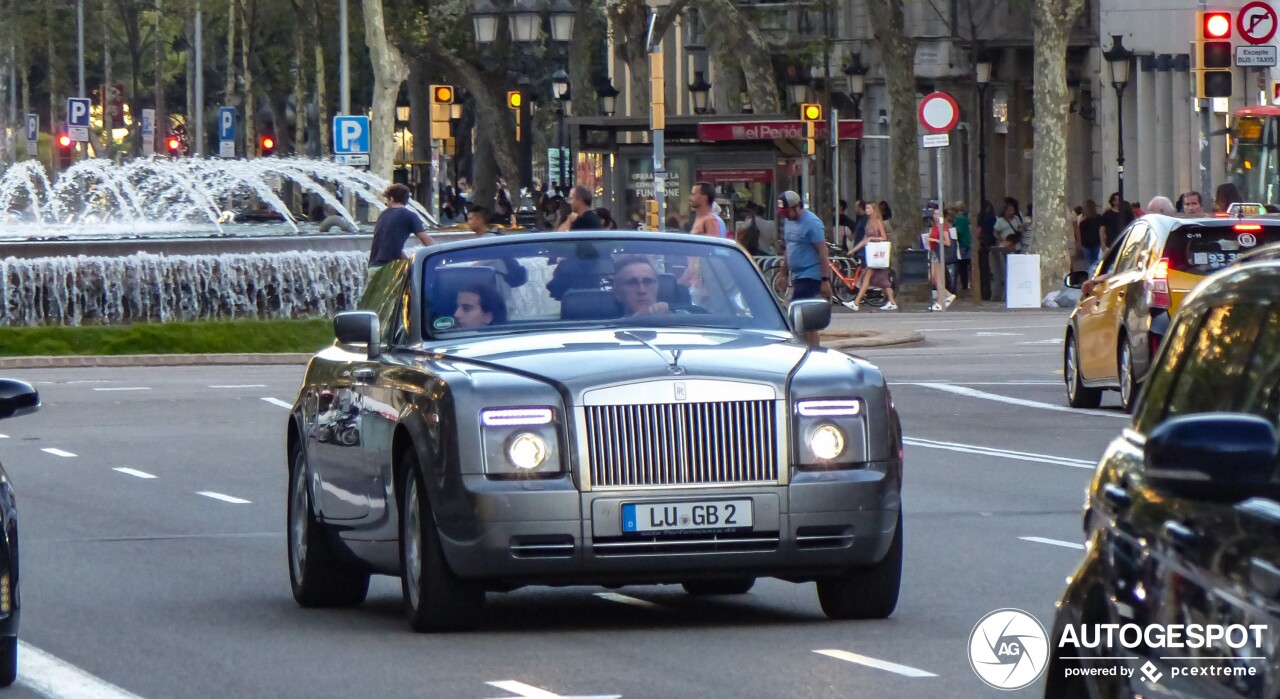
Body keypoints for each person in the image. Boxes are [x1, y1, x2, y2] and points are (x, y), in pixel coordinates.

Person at [775, 190, 831, 346]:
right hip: (796, 275)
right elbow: (789, 249)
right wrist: (783, 273)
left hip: (810, 275)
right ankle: (810, 347)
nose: (785, 215)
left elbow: (822, 251)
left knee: (800, 315)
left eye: (787, 212)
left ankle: (811, 348)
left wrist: (824, 279)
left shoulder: (812, 223)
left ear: (797, 207)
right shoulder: (788, 222)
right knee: (804, 319)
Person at [845, 202, 899, 311]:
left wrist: (872, 239)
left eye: (869, 208)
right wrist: (853, 250)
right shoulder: (869, 222)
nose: (867, 210)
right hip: (873, 255)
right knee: (883, 282)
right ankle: (892, 302)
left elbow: (883, 237)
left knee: (867, 278)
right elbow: (864, 239)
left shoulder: (878, 222)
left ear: (874, 209)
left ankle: (856, 302)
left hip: (877, 254)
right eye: (866, 208)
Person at [368, 184, 435, 272]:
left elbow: (391, 246)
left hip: (373, 268)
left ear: (391, 199)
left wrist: (408, 263)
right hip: (390, 269)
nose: (387, 204)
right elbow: (426, 240)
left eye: (386, 201)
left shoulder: (383, 215)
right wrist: (440, 254)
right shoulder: (410, 216)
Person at [927, 208, 956, 311]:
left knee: (938, 279)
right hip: (933, 253)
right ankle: (947, 294)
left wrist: (933, 239)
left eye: (938, 214)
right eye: (934, 213)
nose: (935, 215)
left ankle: (940, 302)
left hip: (939, 254)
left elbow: (947, 242)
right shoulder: (934, 227)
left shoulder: (943, 228)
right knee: (931, 277)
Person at [1076, 199, 1106, 271]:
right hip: (1097, 242)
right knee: (1097, 261)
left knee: (1088, 262)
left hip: (1086, 244)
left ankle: (1090, 276)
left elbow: (1080, 232)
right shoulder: (1099, 218)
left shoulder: (1083, 221)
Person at [952, 200, 971, 290]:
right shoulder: (964, 218)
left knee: (962, 265)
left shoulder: (960, 219)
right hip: (965, 243)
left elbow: (958, 231)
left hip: (963, 243)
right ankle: (964, 284)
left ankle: (964, 285)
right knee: (963, 265)